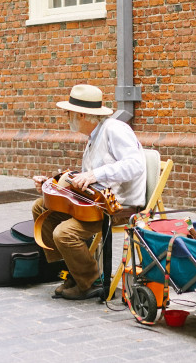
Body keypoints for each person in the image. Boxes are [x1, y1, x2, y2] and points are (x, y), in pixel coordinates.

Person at [32, 84, 146, 300]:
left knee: (63, 233)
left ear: (82, 114)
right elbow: (87, 182)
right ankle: (74, 273)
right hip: (96, 200)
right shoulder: (95, 136)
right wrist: (52, 185)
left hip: (117, 205)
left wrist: (95, 175)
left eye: (69, 112)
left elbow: (135, 165)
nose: (66, 116)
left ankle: (92, 281)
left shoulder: (115, 129)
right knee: (41, 207)